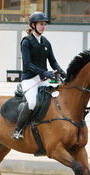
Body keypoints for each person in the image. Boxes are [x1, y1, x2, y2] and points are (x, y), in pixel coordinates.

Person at [12, 11, 66, 140]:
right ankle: (17, 131)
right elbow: (28, 63)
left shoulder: (46, 42)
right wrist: (44, 72)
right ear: (33, 25)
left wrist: (63, 73)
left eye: (44, 24)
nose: (43, 27)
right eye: (41, 24)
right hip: (29, 79)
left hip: (43, 79)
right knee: (32, 102)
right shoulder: (26, 42)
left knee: (54, 100)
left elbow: (53, 62)